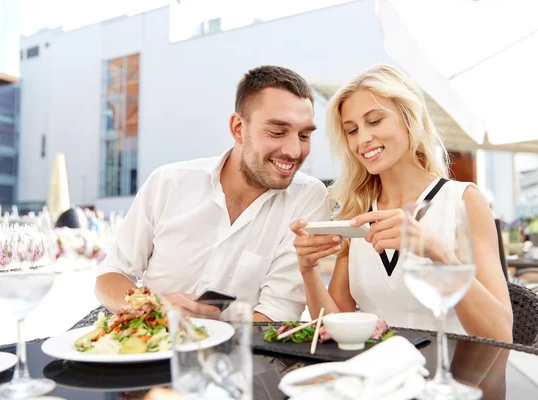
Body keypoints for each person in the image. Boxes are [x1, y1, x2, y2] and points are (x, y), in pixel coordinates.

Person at [291, 65, 513, 341]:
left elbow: (502, 333)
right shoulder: (357, 214)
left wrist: (435, 250)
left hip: (451, 376)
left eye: (374, 121)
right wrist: (308, 270)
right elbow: (334, 328)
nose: (362, 139)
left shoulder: (463, 201)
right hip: (376, 376)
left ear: (409, 118)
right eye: (351, 130)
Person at [95, 65, 330, 322]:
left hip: (238, 356)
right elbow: (111, 276)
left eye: (305, 135)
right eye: (277, 132)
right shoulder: (168, 183)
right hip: (149, 349)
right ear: (238, 128)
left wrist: (205, 337)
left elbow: (278, 314)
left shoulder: (308, 198)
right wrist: (153, 309)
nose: (295, 151)